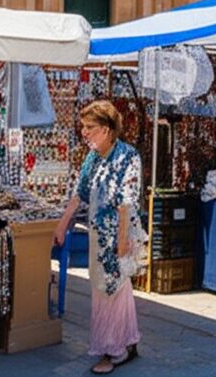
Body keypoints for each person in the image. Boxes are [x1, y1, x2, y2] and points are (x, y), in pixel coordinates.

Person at [53, 101, 144, 374]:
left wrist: (123, 238)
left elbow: (127, 201)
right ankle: (127, 341)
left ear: (106, 129)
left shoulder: (128, 156)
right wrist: (62, 224)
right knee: (107, 290)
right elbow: (80, 192)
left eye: (90, 127)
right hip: (98, 235)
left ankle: (113, 349)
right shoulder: (93, 157)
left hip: (119, 234)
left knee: (111, 291)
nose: (85, 132)